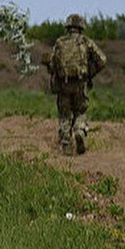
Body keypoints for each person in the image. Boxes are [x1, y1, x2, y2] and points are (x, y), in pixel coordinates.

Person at [43, 14, 107, 155]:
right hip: (80, 84)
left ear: (68, 27)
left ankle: (66, 143)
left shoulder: (59, 43)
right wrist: (91, 73)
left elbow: (52, 63)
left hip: (63, 84)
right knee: (80, 111)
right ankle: (79, 131)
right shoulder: (85, 42)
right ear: (81, 27)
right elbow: (102, 60)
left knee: (65, 114)